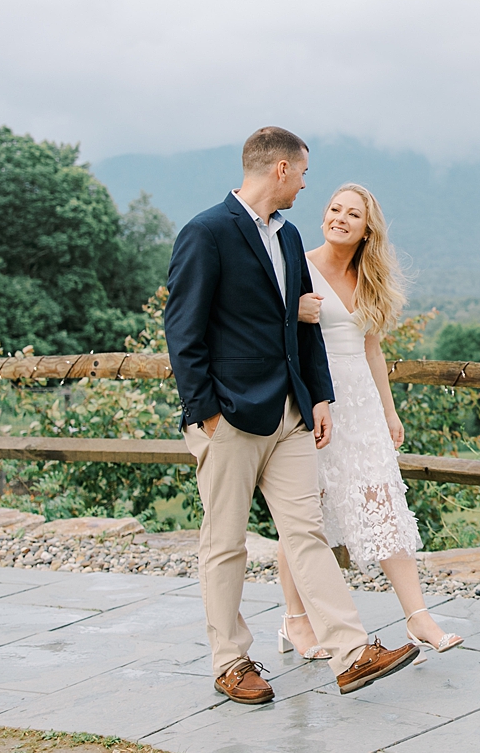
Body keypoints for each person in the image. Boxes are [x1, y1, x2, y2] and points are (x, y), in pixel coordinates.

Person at [165, 126, 418, 704]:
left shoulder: (290, 235)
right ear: (280, 169)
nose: (306, 184)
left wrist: (319, 396)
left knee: (306, 533)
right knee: (224, 542)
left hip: (292, 416)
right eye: (303, 173)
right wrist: (204, 412)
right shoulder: (206, 232)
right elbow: (183, 330)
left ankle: (352, 652)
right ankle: (230, 662)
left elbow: (303, 329)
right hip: (226, 418)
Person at [277, 183, 462, 658]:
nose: (340, 218)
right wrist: (292, 311)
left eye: (352, 214)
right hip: (314, 401)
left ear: (366, 230)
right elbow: (270, 324)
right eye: (334, 209)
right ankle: (295, 622)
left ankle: (417, 616)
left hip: (359, 404)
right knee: (305, 515)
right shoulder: (300, 264)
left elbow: (372, 348)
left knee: (385, 507)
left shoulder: (369, 278)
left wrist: (388, 410)